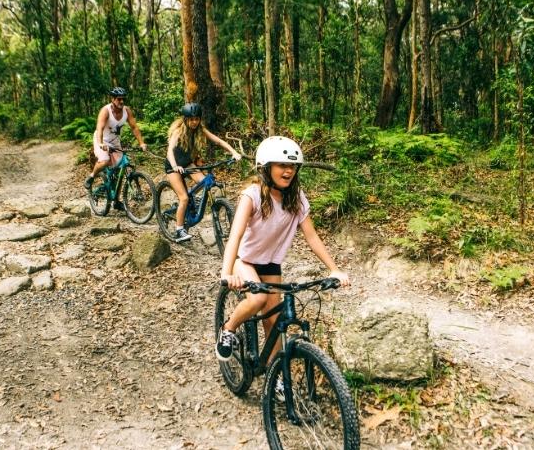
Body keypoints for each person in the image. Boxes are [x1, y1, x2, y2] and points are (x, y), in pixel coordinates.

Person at [215, 136, 349, 363]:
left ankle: (273, 375)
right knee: (257, 300)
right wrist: (227, 273)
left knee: (273, 322)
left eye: (293, 166)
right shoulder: (252, 195)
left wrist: (334, 269)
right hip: (245, 260)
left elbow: (312, 236)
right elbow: (235, 235)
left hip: (270, 264)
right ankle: (228, 329)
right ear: (266, 168)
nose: (289, 171)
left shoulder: (297, 199)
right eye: (282, 165)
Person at [164, 102, 242, 242]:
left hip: (187, 164)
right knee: (184, 198)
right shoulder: (178, 131)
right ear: (186, 119)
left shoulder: (200, 130)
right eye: (191, 119)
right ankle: (179, 229)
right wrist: (175, 166)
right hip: (173, 166)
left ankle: (194, 202)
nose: (194, 122)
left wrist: (234, 152)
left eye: (197, 119)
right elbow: (169, 151)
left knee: (205, 182)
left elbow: (218, 141)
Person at [85, 87, 148, 209]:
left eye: (123, 99)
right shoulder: (105, 111)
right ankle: (91, 177)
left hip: (115, 142)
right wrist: (101, 144)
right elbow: (99, 128)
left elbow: (134, 127)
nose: (122, 101)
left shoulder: (126, 111)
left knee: (120, 170)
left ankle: (116, 202)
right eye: (119, 99)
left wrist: (141, 143)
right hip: (102, 139)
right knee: (105, 161)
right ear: (113, 99)